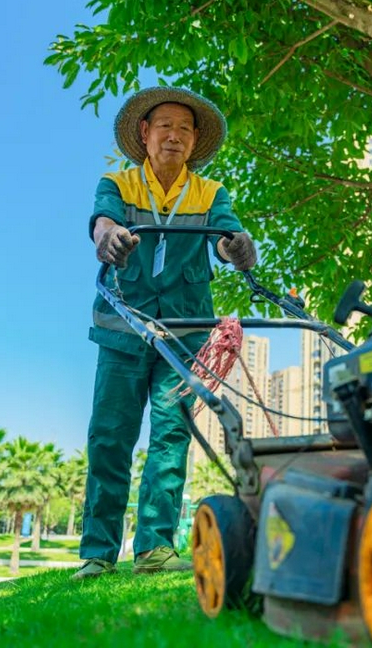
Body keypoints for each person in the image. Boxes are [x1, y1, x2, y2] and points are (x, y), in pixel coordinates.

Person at [73, 87, 257, 579]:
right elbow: (102, 223)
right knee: (110, 437)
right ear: (144, 134)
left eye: (184, 129)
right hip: (123, 329)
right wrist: (107, 236)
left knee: (172, 435)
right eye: (165, 126)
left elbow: (226, 236)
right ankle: (97, 553)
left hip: (184, 332)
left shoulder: (210, 193)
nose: (174, 136)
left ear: (194, 141)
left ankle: (155, 547)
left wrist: (238, 248)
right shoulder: (117, 183)